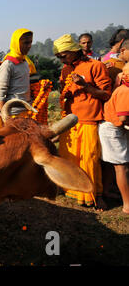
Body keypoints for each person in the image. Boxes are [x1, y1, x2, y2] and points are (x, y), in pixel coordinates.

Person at [54, 34, 112, 211]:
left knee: (90, 159)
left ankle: (95, 195)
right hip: (69, 119)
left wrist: (85, 86)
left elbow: (106, 94)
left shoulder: (96, 66)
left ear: (74, 51)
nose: (61, 60)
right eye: (59, 57)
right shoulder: (66, 70)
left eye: (63, 56)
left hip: (89, 119)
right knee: (68, 155)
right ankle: (68, 188)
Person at [98, 63, 129, 214]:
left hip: (114, 128)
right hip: (113, 129)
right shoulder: (124, 91)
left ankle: (107, 190)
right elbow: (123, 118)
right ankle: (127, 204)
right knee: (121, 167)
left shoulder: (122, 89)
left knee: (112, 164)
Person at [0, 28, 35, 118]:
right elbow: (1, 93)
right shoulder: (8, 65)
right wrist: (4, 116)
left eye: (30, 42)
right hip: (13, 113)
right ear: (16, 43)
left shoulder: (25, 62)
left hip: (27, 111)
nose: (29, 46)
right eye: (26, 43)